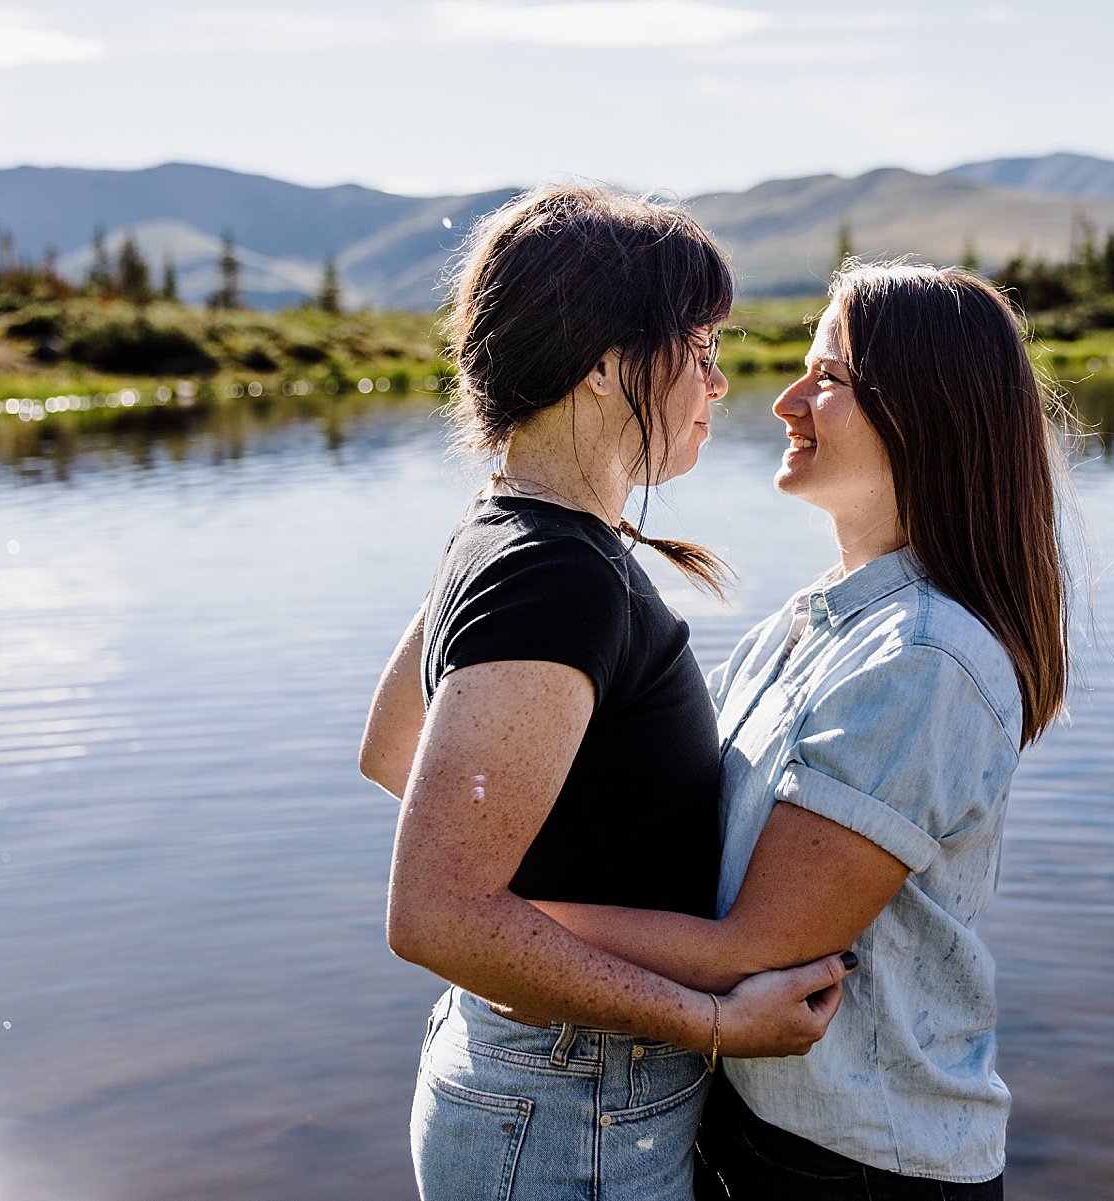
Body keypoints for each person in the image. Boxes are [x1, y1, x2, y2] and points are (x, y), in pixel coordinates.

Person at [360, 184, 857, 1201]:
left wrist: (544, 905)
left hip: (543, 1088)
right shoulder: (558, 572)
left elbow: (392, 754)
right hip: (569, 1105)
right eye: (700, 346)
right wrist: (712, 1019)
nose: (718, 382)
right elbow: (432, 912)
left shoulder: (507, 529)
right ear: (600, 364)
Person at [535, 261, 1074, 1199]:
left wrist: (505, 929)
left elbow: (759, 947)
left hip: (862, 1165)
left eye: (826, 376)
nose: (784, 400)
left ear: (927, 413)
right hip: (769, 1132)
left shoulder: (923, 660)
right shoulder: (814, 624)